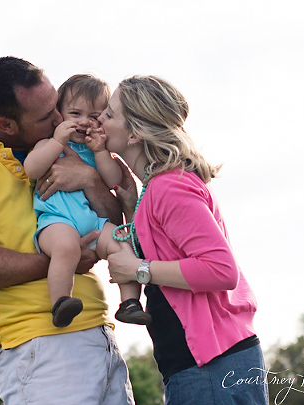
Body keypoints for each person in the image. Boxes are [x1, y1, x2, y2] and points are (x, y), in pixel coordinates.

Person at [0, 56, 135, 404]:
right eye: (44, 116)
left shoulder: (75, 150)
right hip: (40, 344)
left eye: (56, 104)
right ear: (6, 124)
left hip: (101, 334)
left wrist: (89, 179)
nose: (58, 117)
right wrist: (64, 260)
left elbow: (115, 224)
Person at [97, 75, 269, 404]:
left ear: (134, 133)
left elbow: (221, 270)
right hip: (206, 365)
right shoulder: (157, 187)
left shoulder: (168, 186)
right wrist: (130, 205)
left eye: (109, 113)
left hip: (210, 368)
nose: (99, 119)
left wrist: (138, 270)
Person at [24, 74, 151, 327]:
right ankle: (61, 301)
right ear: (59, 114)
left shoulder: (97, 149)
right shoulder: (48, 144)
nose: (83, 122)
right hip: (57, 221)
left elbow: (113, 180)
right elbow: (32, 169)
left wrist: (100, 152)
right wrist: (57, 141)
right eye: (75, 114)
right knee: (66, 249)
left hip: (94, 222)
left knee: (122, 243)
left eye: (93, 116)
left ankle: (129, 303)